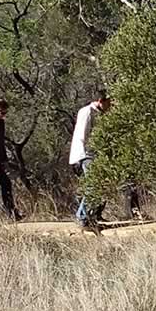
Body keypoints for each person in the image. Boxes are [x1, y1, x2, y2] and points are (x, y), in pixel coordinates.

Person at [69, 91, 112, 231]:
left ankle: (94, 215)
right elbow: (83, 135)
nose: (110, 105)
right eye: (108, 102)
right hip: (86, 154)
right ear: (101, 100)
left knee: (103, 184)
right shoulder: (87, 112)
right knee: (94, 185)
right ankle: (82, 216)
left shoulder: (99, 113)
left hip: (95, 154)